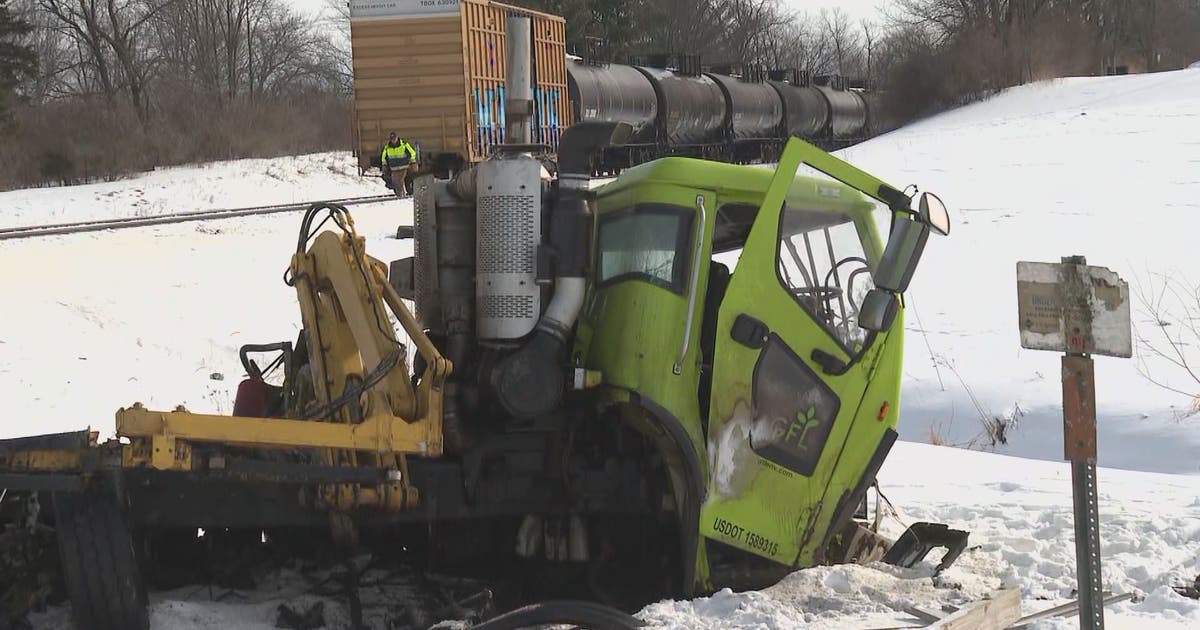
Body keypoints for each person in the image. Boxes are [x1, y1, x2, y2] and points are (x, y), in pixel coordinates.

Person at [380, 131, 417, 197]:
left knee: (400, 181)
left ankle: (400, 195)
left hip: (403, 167)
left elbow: (413, 153)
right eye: (392, 139)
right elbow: (383, 157)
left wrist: (412, 162)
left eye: (394, 138)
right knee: (396, 182)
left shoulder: (404, 145)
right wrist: (384, 165)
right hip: (394, 169)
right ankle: (402, 195)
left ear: (397, 138)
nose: (393, 140)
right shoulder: (387, 147)